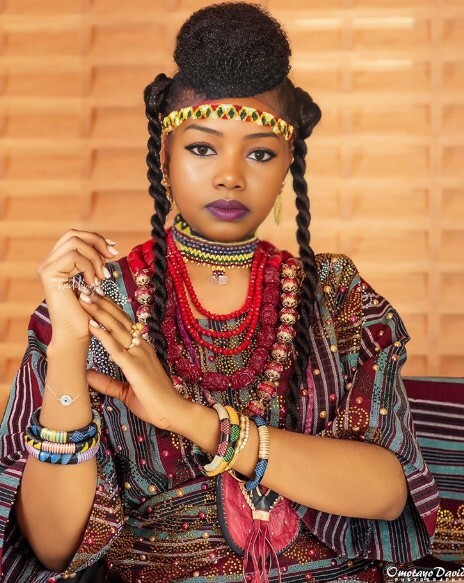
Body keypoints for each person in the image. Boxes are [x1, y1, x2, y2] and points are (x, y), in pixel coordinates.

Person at [0, 3, 439, 582]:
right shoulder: (100, 304)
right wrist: (67, 347)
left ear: (288, 165)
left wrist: (193, 420)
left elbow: (387, 494)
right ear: (164, 154)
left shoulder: (337, 295)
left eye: (259, 152)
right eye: (203, 148)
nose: (230, 175)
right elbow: (54, 548)